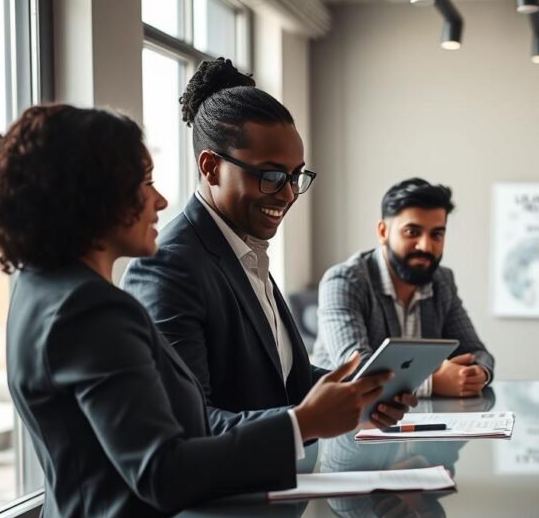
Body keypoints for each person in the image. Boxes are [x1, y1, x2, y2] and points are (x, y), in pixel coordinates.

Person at [0, 104, 404, 518]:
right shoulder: (89, 309)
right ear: (91, 194)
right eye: (144, 183)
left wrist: (336, 401)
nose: (160, 201)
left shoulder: (41, 289)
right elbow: (161, 470)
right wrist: (301, 423)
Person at [122, 59, 411, 428]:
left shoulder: (244, 249)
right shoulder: (168, 266)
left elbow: (280, 382)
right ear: (210, 167)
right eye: (272, 175)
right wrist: (302, 422)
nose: (289, 193)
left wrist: (360, 393)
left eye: (295, 175)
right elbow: (189, 423)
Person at [312, 178, 494, 398]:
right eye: (412, 232)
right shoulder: (344, 281)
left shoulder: (442, 281)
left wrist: (477, 374)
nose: (426, 246)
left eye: (437, 234)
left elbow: (478, 352)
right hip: (344, 422)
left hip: (420, 420)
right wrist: (432, 383)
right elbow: (357, 371)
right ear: (383, 232)